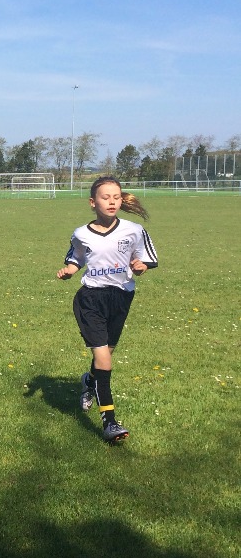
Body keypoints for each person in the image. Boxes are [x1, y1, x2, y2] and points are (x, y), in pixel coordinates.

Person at [57, 175, 158, 444]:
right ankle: (109, 422)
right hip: (90, 299)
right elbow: (76, 258)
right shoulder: (81, 234)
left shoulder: (134, 230)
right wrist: (69, 270)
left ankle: (89, 382)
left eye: (116, 197)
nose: (112, 202)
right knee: (104, 359)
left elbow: (146, 259)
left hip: (121, 298)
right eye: (105, 197)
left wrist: (141, 267)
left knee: (106, 356)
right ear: (93, 202)